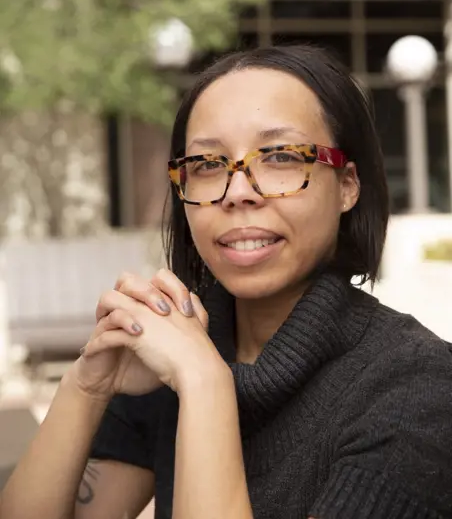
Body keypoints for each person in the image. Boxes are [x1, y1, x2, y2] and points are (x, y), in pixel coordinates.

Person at [2, 45, 452, 519]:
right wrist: (87, 386)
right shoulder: (171, 354)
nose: (238, 192)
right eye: (207, 165)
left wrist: (205, 382)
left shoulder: (420, 390)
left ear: (347, 186)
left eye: (280, 156)